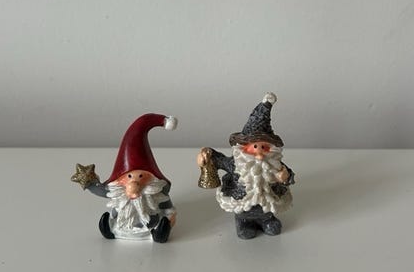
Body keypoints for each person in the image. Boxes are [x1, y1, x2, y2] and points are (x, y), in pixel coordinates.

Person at [197, 93, 295, 239]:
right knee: (245, 231)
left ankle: (267, 220)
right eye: (255, 147)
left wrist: (285, 177)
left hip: (268, 207)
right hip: (243, 206)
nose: (259, 155)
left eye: (264, 147)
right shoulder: (236, 164)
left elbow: (289, 177)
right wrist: (207, 155)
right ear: (244, 147)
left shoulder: (275, 165)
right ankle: (244, 223)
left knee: (273, 228)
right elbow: (219, 160)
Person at [71, 113, 177, 242]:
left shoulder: (158, 195)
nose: (134, 183)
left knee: (160, 230)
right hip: (121, 228)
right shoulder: (119, 194)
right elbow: (101, 190)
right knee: (111, 217)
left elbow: (169, 211)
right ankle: (109, 229)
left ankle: (158, 234)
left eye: (141, 176)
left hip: (150, 228)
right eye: (129, 176)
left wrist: (169, 222)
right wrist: (88, 181)